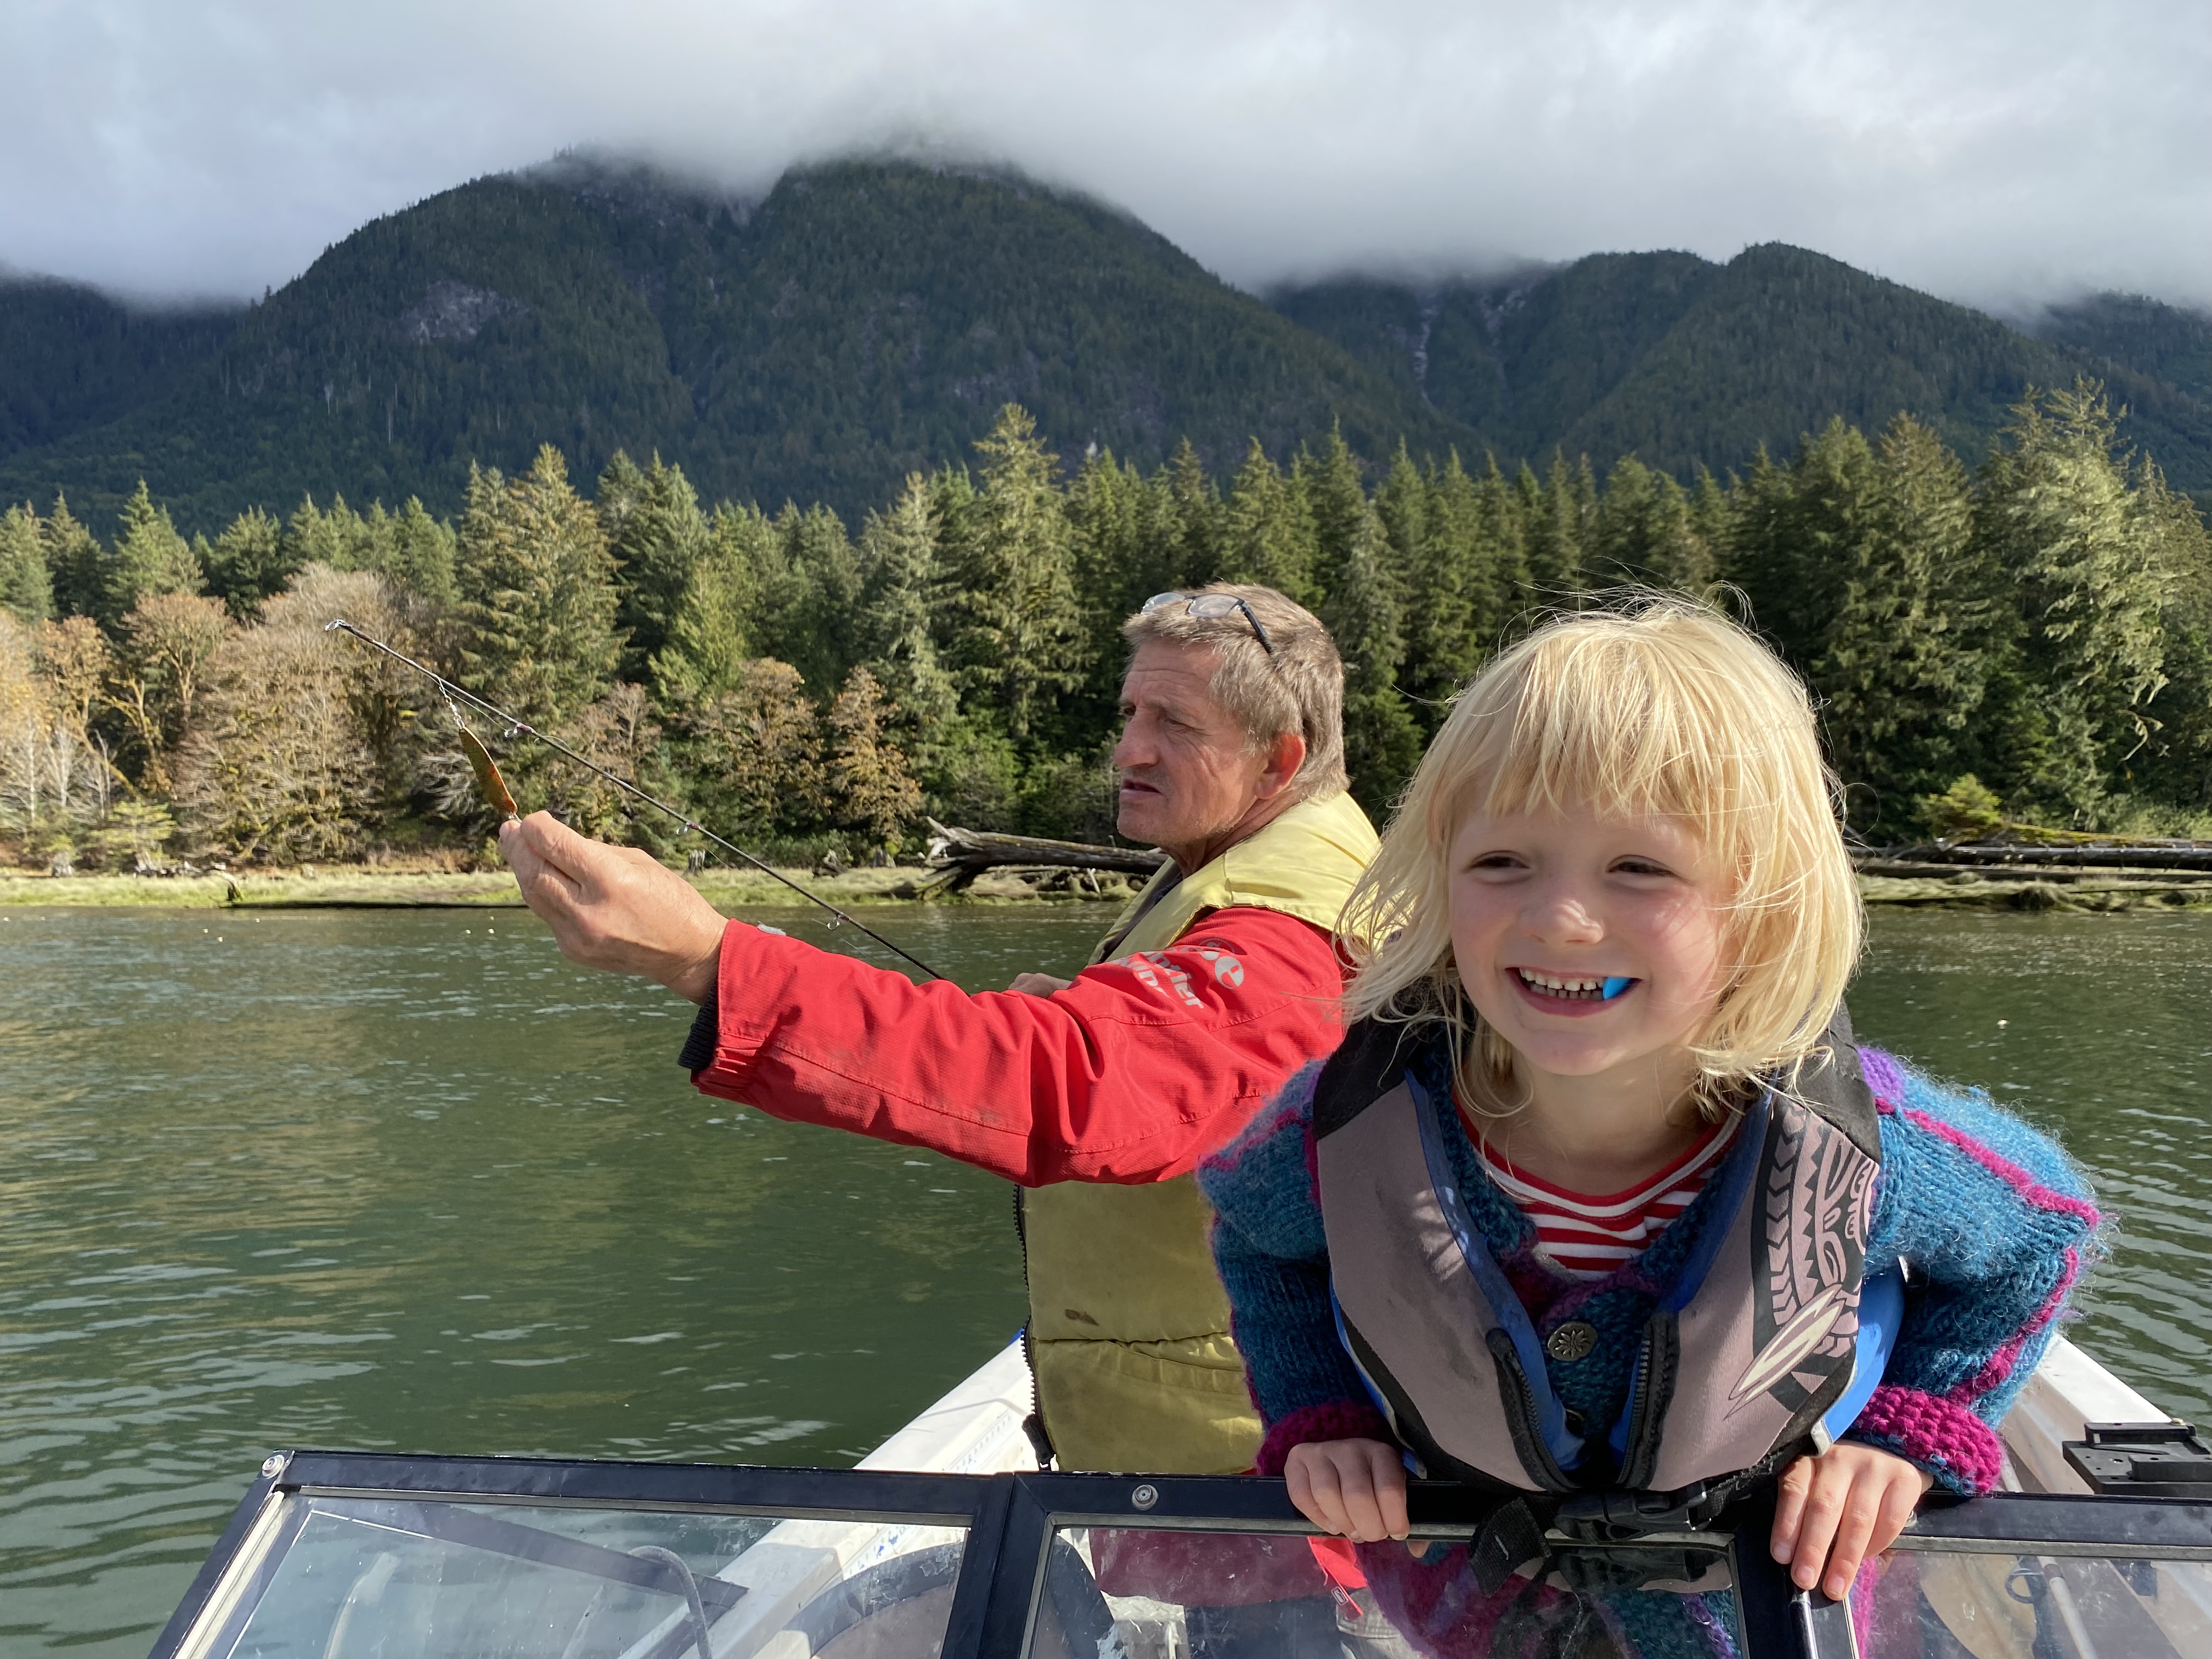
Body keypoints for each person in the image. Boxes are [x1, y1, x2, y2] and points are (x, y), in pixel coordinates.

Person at [1197, 599, 2101, 1652]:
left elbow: (2045, 1235)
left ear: (1759, 904)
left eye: (1640, 869)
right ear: (1440, 879)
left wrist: (1916, 1433)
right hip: (1467, 1623)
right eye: (1501, 863)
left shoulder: (1877, 1147)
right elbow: (1259, 1239)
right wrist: (1319, 1412)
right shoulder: (1341, 1130)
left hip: (1766, 1620)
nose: (1560, 919)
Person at [500, 584, 1380, 1475]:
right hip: (1220, 1478)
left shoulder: (1288, 931)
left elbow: (1076, 1086)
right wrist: (1093, 1002)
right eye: (1129, 714)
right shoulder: (1261, 864)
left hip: (1276, 1513)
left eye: (1176, 725)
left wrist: (708, 961)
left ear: (1279, 761)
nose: (1128, 749)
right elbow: (1177, 1067)